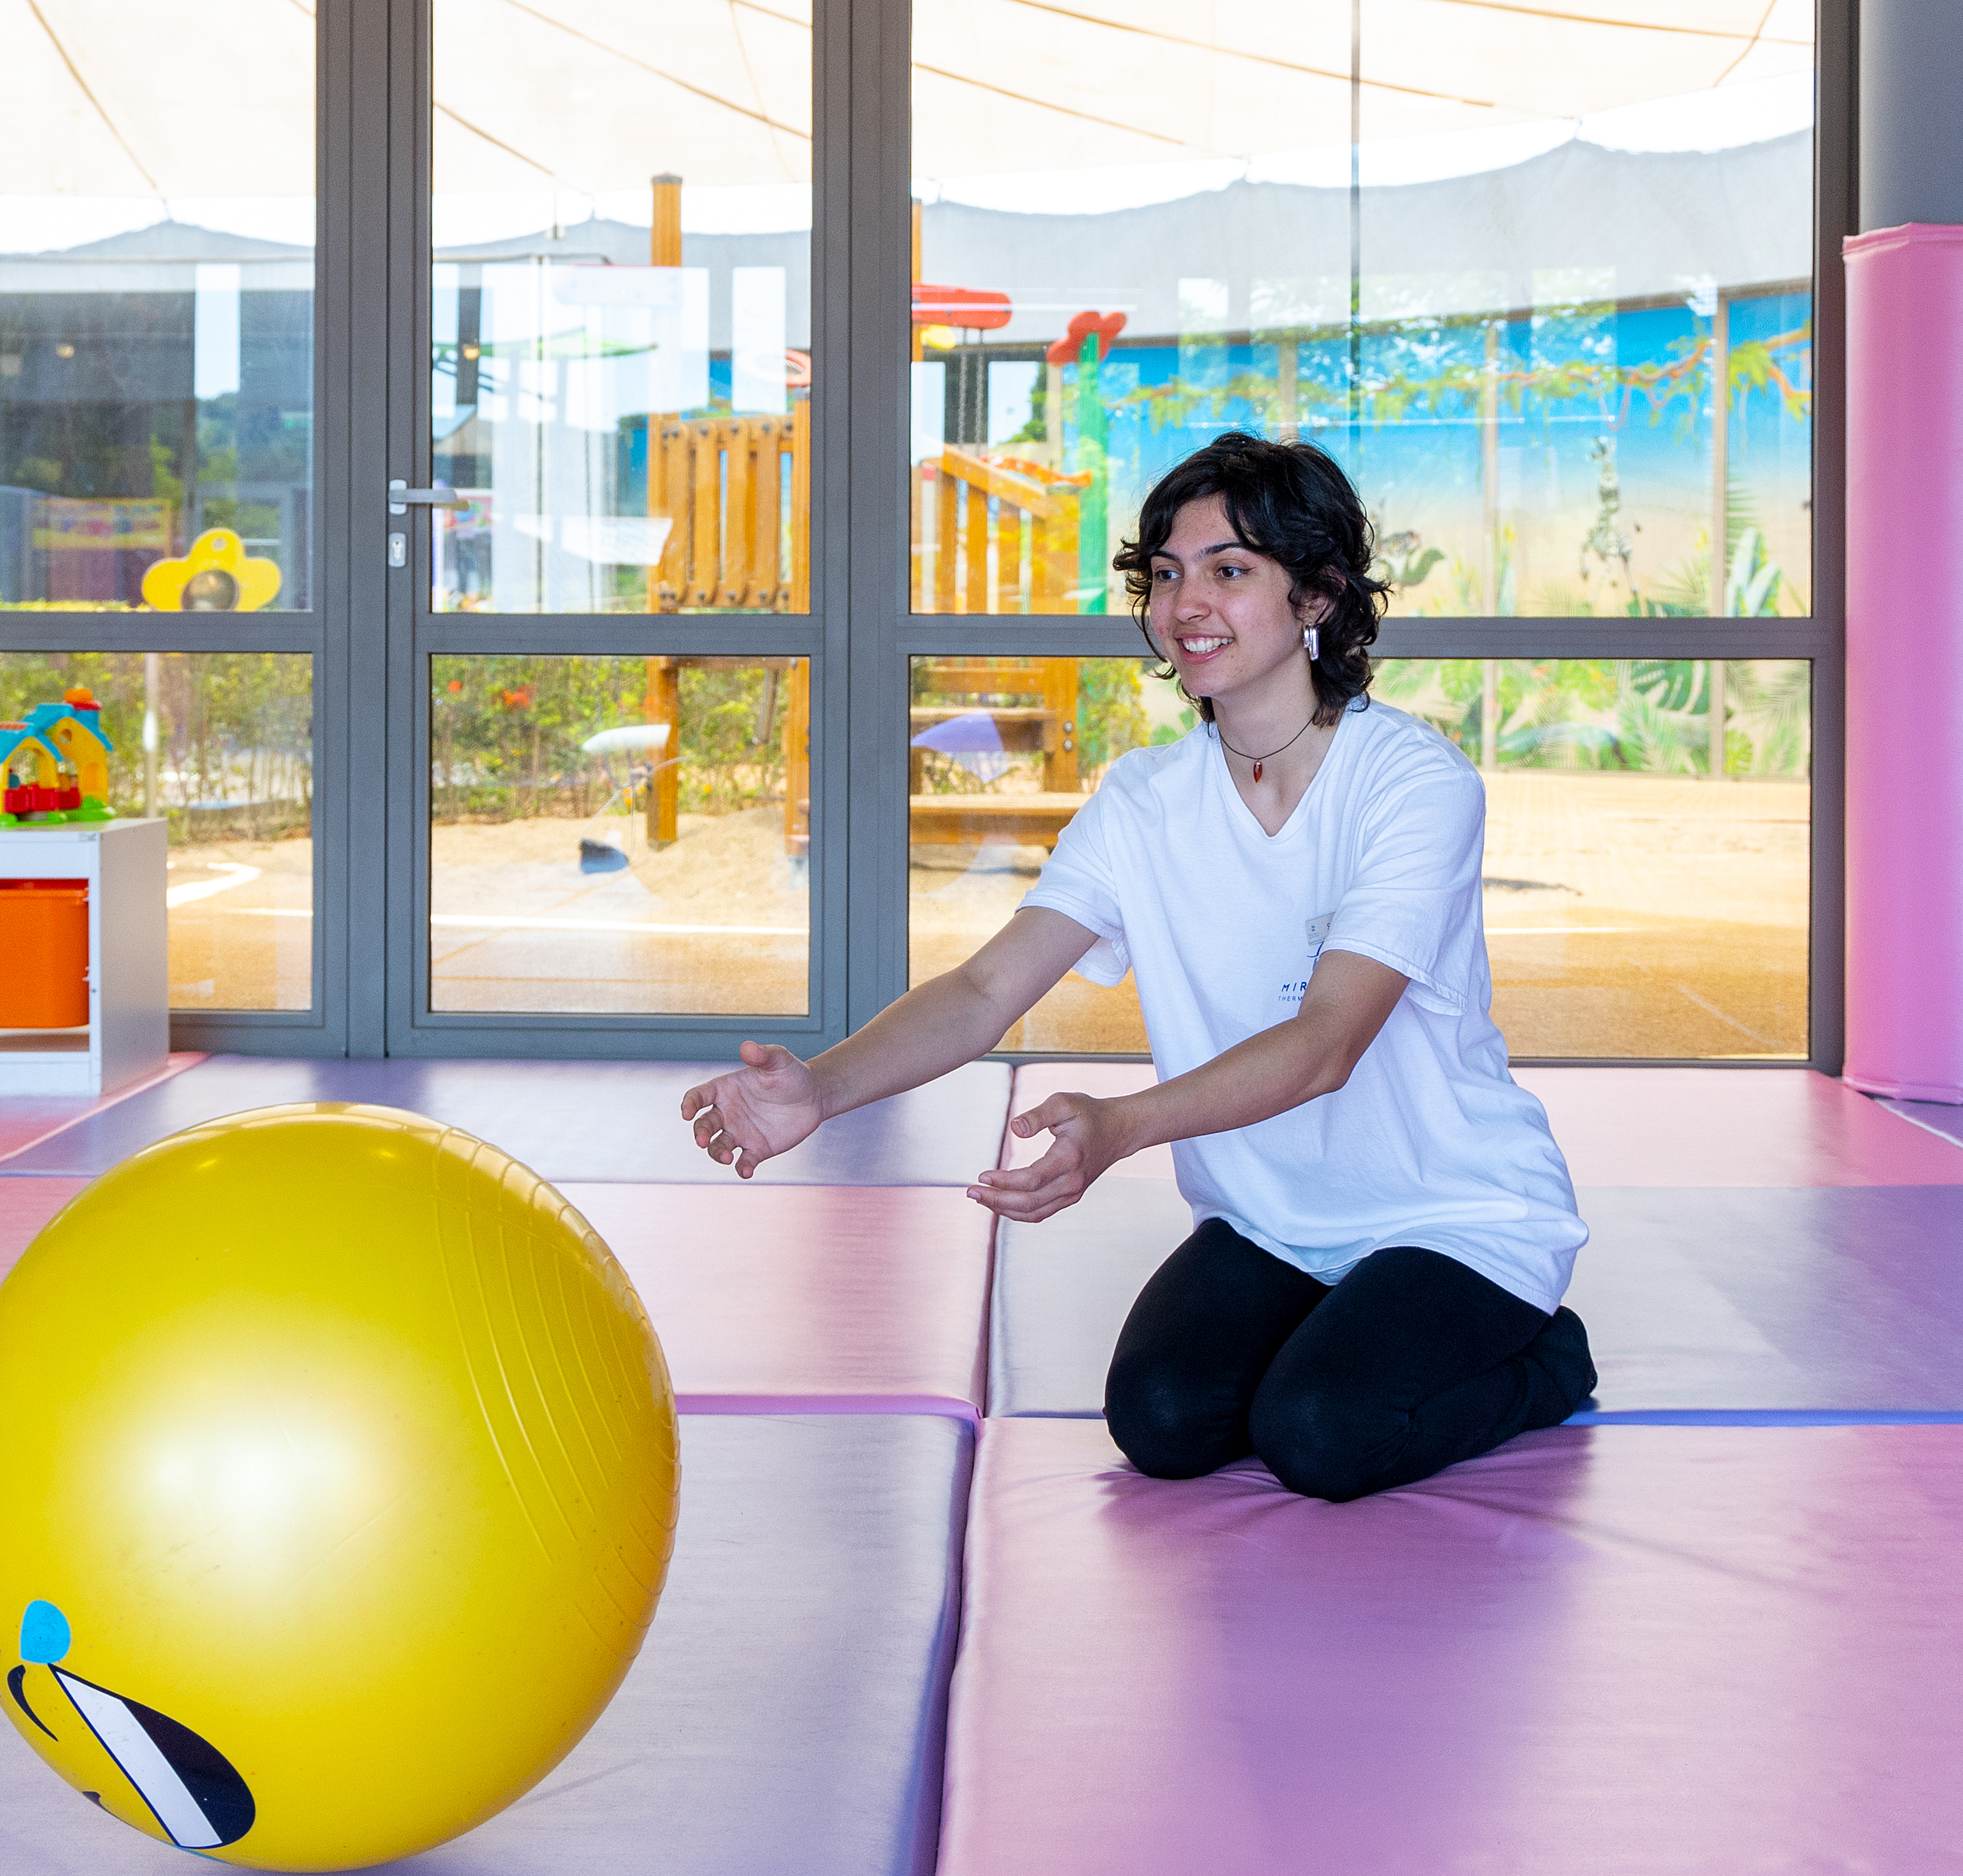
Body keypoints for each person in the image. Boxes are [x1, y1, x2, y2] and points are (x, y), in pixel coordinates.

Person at [681, 431, 1593, 1503]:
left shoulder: (1410, 784)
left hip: (1456, 1216)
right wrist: (822, 1090)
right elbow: (984, 991)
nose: (1186, 603)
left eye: (1229, 570)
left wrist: (1120, 1126)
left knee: (1323, 1435)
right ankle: (1342, 1322)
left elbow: (1327, 1043)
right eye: (1166, 574)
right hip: (1271, 1221)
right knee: (1161, 1421)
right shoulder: (1144, 802)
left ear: (1318, 597)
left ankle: (1547, 1355)